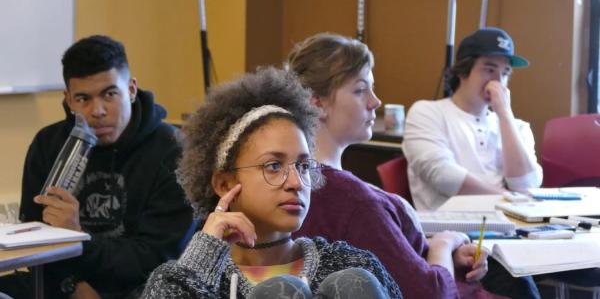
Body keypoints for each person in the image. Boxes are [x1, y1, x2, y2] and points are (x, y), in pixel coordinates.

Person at [287, 32, 540, 299]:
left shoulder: (302, 183)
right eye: (361, 90)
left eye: (505, 72)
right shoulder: (354, 200)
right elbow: (430, 293)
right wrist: (444, 243)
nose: (376, 102)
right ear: (317, 103)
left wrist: (442, 250)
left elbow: (386, 253)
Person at [142, 67, 403, 298]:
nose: (296, 182)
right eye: (274, 166)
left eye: (302, 166)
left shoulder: (349, 264)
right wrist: (204, 253)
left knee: (353, 283)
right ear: (223, 184)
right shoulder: (196, 279)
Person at [10, 35, 193, 299]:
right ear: (69, 100)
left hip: (145, 287)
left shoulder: (173, 150)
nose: (98, 111)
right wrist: (73, 286)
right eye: (83, 98)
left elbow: (158, 256)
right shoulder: (48, 145)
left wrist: (78, 237)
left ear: (130, 89)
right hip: (65, 284)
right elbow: (34, 239)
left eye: (109, 94)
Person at [403, 27, 543, 211]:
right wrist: (509, 200)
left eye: (506, 73)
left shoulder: (518, 127)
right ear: (463, 72)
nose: (498, 81)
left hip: (511, 228)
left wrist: (504, 114)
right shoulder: (426, 113)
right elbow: (444, 176)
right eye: (489, 69)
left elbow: (527, 185)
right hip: (448, 231)